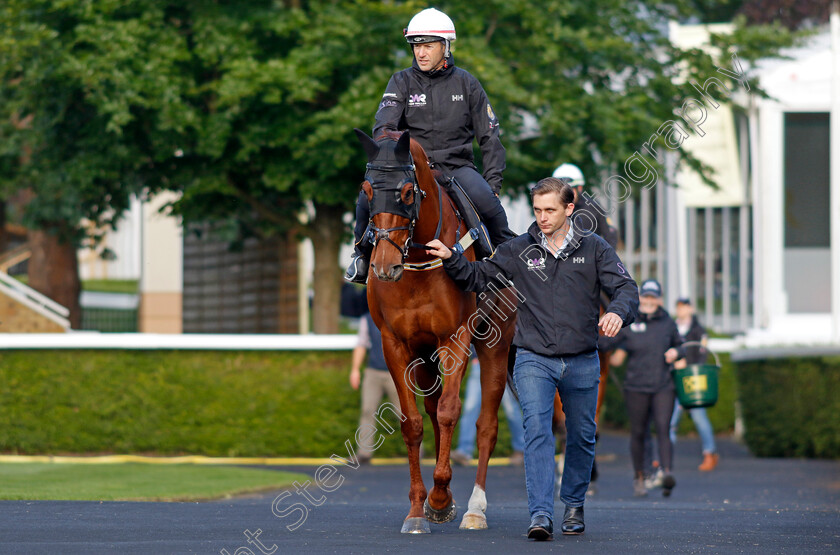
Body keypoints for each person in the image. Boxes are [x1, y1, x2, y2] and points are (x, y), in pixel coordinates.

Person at [425, 177, 638, 541]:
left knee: (583, 436)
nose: (542, 217)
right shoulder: (519, 250)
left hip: (584, 358)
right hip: (533, 359)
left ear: (569, 209)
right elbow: (480, 276)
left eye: (550, 210)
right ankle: (540, 515)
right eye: (537, 210)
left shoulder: (595, 247)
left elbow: (625, 288)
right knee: (537, 432)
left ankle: (572, 504)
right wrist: (452, 259)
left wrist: (618, 311)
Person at [345, 7, 516, 283]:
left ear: (445, 47)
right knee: (366, 197)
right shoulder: (400, 81)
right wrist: (402, 153)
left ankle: (510, 266)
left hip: (457, 169)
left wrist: (493, 185)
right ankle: (360, 257)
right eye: (416, 46)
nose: (420, 53)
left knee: (493, 210)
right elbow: (383, 128)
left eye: (427, 46)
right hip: (410, 171)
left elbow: (490, 139)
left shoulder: (468, 83)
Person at [605, 279, 685, 498]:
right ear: (640, 298)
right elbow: (605, 343)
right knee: (639, 432)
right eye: (646, 296)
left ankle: (666, 474)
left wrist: (677, 353)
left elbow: (681, 345)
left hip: (663, 386)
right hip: (636, 387)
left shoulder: (667, 322)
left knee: (663, 428)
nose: (649, 301)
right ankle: (639, 476)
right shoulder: (629, 321)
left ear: (659, 299)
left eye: (653, 297)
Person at [451, 347, 525, 467]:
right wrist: (475, 356)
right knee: (471, 408)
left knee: (511, 409)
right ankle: (464, 451)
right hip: (481, 362)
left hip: (502, 362)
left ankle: (521, 450)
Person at [670, 297, 719, 472]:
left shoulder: (699, 331)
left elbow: (702, 354)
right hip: (675, 379)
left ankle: (710, 452)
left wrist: (687, 364)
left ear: (690, 309)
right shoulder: (671, 327)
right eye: (679, 307)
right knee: (671, 419)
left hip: (693, 380)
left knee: (699, 418)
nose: (681, 310)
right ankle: (664, 456)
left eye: (684, 307)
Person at [349, 307, 400, 464]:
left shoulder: (399, 315)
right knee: (367, 411)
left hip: (396, 373)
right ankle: (363, 453)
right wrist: (355, 370)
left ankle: (416, 450)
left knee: (405, 413)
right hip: (373, 371)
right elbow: (361, 344)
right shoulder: (367, 319)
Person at [552, 163, 618, 249]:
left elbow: (610, 236)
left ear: (579, 188)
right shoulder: (550, 210)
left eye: (569, 190)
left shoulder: (593, 208)